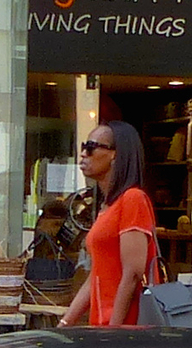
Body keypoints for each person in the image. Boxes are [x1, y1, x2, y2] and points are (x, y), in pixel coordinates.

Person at [61, 121, 156, 328]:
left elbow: (133, 273)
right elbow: (97, 274)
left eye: (91, 147)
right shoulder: (108, 206)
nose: (84, 153)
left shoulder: (133, 199)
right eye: (83, 147)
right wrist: (65, 322)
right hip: (105, 326)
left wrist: (113, 329)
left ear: (115, 154)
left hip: (128, 329)